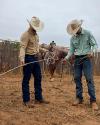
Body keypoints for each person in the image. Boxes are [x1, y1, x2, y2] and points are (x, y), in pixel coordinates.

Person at [64, 19, 98, 110]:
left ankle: (93, 101)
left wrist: (92, 51)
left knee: (89, 79)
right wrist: (66, 58)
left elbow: (95, 45)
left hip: (87, 58)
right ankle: (79, 98)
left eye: (76, 30)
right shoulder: (72, 38)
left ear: (79, 27)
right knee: (77, 78)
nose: (75, 32)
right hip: (77, 60)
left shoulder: (88, 33)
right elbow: (71, 50)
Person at [19, 16, 49, 107]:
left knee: (38, 77)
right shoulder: (25, 35)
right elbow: (22, 47)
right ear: (30, 25)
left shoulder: (36, 35)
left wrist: (44, 50)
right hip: (28, 58)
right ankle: (26, 100)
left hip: (36, 59)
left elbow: (37, 47)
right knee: (26, 79)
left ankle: (38, 98)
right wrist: (22, 58)